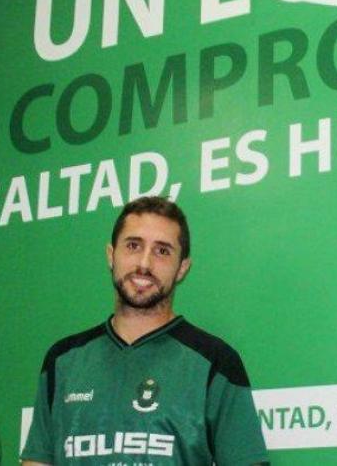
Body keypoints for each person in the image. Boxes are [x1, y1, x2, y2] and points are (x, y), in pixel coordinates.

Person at [21, 196, 269, 465]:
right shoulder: (63, 361)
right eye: (133, 245)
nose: (144, 263)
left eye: (162, 251)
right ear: (111, 255)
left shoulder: (216, 363)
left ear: (182, 268)